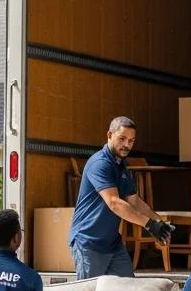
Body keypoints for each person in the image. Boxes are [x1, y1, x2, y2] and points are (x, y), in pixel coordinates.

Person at [68, 116, 174, 279]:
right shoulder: (100, 163)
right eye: (122, 139)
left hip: (112, 244)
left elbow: (135, 201)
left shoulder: (121, 166)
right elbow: (114, 203)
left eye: (131, 141)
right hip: (89, 243)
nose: (127, 145)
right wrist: (149, 225)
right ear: (109, 135)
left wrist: (159, 223)